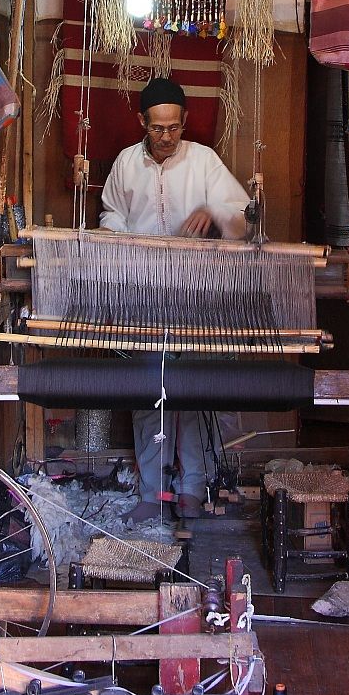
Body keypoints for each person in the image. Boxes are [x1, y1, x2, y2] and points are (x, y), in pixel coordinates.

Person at [100, 77, 249, 520]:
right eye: (157, 128)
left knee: (192, 392)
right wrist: (117, 238)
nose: (167, 137)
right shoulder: (126, 164)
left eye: (174, 128)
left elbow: (241, 215)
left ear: (184, 122)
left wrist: (214, 212)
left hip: (194, 293)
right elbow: (111, 212)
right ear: (142, 122)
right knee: (149, 393)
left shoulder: (204, 162)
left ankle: (191, 488)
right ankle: (152, 493)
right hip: (142, 291)